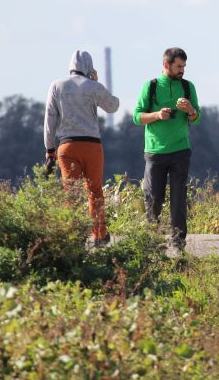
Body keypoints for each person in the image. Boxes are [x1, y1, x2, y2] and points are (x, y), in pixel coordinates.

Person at [44, 50, 119, 247]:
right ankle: (99, 235)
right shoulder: (93, 86)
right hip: (92, 146)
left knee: (72, 191)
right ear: (89, 68)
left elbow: (50, 118)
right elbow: (113, 106)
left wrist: (50, 148)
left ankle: (73, 235)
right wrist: (96, 82)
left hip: (67, 146)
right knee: (94, 190)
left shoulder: (57, 86)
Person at [133, 47, 201, 253]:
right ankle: (153, 243)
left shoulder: (188, 87)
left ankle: (178, 243)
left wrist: (190, 110)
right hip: (155, 151)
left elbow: (197, 119)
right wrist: (156, 115)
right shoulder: (151, 87)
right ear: (166, 65)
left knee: (179, 199)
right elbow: (137, 116)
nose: (182, 70)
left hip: (181, 150)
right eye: (179, 66)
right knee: (153, 198)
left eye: (184, 67)